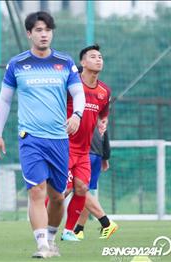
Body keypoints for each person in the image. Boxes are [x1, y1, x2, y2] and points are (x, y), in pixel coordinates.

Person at [0, 11, 85, 258]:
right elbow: (4, 100)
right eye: (38, 30)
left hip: (59, 139)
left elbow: (78, 93)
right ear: (29, 34)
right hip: (30, 138)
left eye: (47, 30)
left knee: (57, 197)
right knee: (36, 191)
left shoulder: (65, 62)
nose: (44, 34)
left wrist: (77, 115)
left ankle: (52, 238)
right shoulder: (17, 64)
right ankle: (42, 244)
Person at [60, 44, 113, 241]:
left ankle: (68, 232)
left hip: (85, 150)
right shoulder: (70, 84)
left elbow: (103, 116)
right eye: (93, 56)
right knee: (62, 190)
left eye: (100, 56)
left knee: (82, 188)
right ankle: (43, 226)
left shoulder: (104, 91)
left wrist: (102, 123)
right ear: (82, 62)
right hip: (64, 147)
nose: (98, 59)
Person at [74, 129, 117, 239]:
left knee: (79, 189)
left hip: (84, 153)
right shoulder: (98, 112)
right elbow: (104, 128)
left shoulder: (74, 112)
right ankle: (79, 230)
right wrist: (105, 156)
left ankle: (106, 223)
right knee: (84, 191)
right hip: (96, 153)